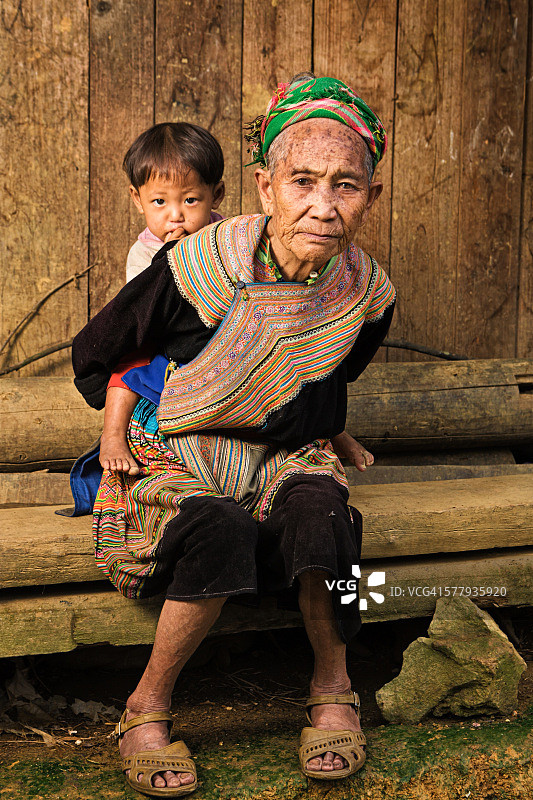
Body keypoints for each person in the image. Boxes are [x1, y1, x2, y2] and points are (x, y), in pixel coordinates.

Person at [72, 73, 395, 797]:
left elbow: (330, 376)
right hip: (177, 452)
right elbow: (99, 354)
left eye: (345, 186)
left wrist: (316, 433)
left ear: (369, 198)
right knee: (216, 527)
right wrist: (161, 416)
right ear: (264, 186)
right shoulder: (194, 266)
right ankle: (145, 710)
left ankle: (333, 688)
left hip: (285, 459)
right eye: (302, 180)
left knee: (323, 514)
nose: (322, 204)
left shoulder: (367, 293)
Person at [101, 123, 225, 477]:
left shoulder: (230, 238)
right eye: (159, 201)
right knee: (126, 363)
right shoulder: (142, 253)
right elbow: (145, 317)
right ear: (137, 198)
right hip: (167, 347)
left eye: (190, 200)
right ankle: (112, 435)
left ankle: (331, 432)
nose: (175, 214)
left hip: (226, 340)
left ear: (215, 195)